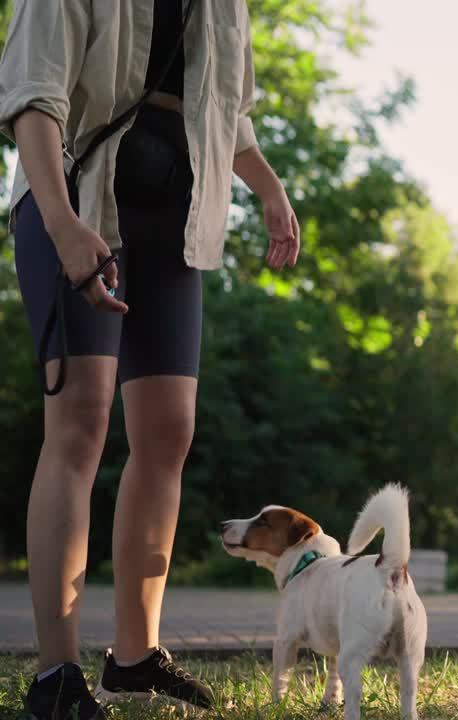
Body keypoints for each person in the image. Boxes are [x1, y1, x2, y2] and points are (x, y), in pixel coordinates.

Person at [0, 1, 300, 717]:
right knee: (80, 423)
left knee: (168, 431)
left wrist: (269, 186)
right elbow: (32, 103)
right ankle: (56, 675)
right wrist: (65, 225)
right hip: (74, 199)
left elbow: (230, 113)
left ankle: (135, 658)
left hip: (176, 216)